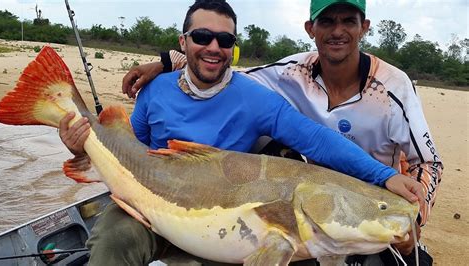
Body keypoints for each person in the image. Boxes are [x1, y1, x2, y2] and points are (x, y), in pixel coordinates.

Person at [122, 0, 443, 265]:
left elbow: (429, 164)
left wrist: (413, 219)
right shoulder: (289, 73)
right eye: (327, 21)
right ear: (310, 29)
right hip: (309, 203)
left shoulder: (394, 86)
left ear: (365, 27)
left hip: (373, 200)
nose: (338, 31)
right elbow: (220, 72)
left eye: (349, 20)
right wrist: (167, 63)